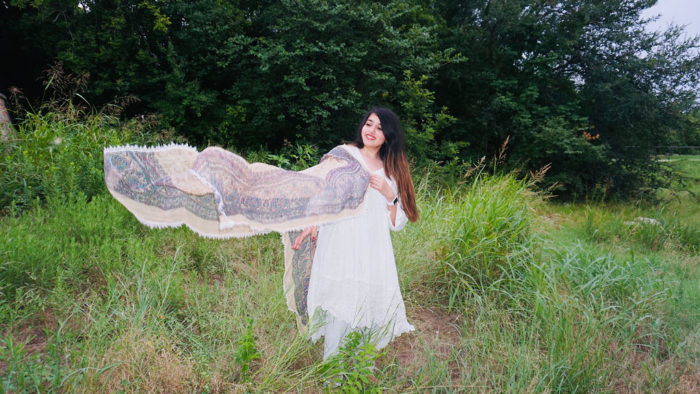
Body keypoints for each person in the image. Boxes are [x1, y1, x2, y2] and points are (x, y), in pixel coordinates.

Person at [292, 107, 419, 359]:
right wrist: (313, 222)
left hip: (372, 245)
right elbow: (323, 194)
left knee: (366, 301)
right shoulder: (344, 156)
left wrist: (389, 194)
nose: (371, 131)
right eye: (369, 124)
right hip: (340, 240)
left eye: (380, 128)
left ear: (389, 136)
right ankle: (333, 369)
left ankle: (362, 364)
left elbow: (397, 223)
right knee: (341, 299)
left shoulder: (392, 170)